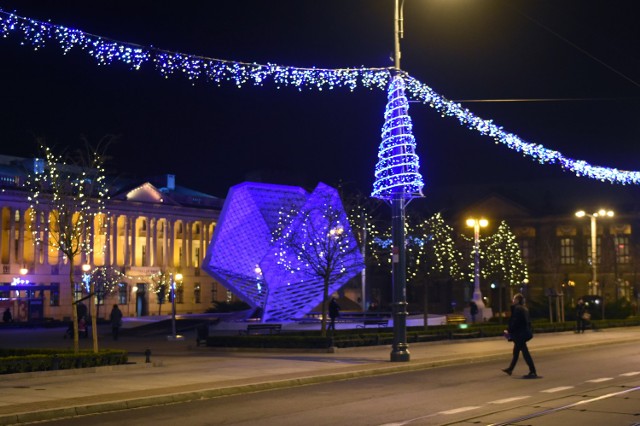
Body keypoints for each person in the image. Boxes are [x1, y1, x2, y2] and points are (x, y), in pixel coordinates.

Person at [502, 293, 537, 378]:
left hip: (520, 335)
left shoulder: (518, 309)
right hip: (523, 333)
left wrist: (509, 331)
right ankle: (510, 369)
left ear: (517, 300)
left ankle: (532, 371)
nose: (513, 301)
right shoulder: (524, 308)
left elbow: (515, 322)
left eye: (514, 299)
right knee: (516, 352)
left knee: (525, 353)